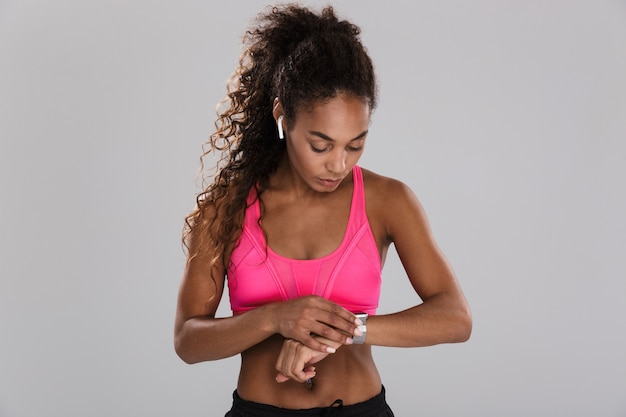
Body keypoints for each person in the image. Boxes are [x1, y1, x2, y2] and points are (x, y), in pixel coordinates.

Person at [175, 4, 472, 416]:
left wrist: (345, 331)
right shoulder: (224, 209)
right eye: (321, 145)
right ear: (282, 116)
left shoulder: (387, 200)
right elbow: (188, 341)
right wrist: (274, 319)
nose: (339, 164)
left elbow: (455, 317)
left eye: (356, 144)